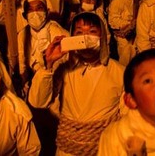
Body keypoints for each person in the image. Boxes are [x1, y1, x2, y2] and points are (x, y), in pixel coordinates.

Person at [28, 12, 125, 156]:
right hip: (69, 150)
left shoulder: (119, 72)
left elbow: (127, 116)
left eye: (92, 31)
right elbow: (39, 102)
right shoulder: (63, 69)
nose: (85, 37)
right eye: (79, 32)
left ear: (102, 36)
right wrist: (49, 63)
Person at [108, 0, 147, 67]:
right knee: (125, 63)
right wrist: (129, 24)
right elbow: (112, 20)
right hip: (124, 38)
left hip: (138, 35)